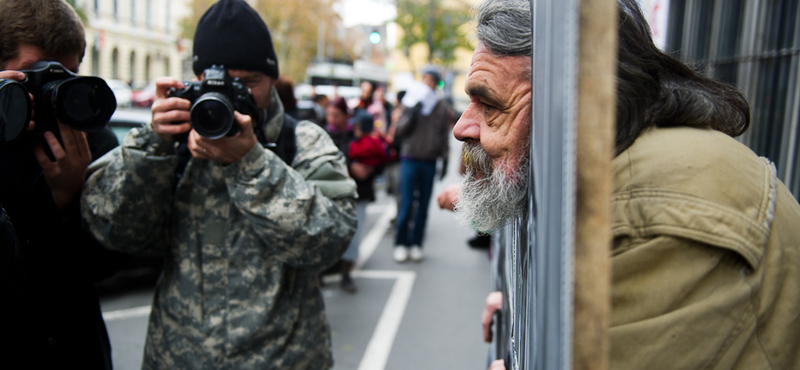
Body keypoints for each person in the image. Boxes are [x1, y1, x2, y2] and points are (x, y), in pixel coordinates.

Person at [458, 0, 800, 369]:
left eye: (489, 104)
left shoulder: (657, 215)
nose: (462, 127)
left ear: (572, 103)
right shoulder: (621, 169)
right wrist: (527, 313)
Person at [80, 0, 358, 369]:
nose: (233, 95)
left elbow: (331, 240)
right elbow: (111, 229)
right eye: (222, 83)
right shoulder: (171, 143)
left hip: (283, 358)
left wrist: (250, 162)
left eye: (247, 83)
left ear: (273, 79)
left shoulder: (304, 142)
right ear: (197, 81)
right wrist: (153, 144)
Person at [0, 1, 124, 368]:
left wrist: (70, 201)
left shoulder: (90, 135)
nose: (53, 90)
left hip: (74, 350)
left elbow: (110, 262)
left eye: (66, 76)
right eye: (35, 74)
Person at [392, 70, 454, 262]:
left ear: (436, 84)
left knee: (424, 206)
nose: (428, 84)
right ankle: (401, 243)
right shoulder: (410, 102)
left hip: (429, 160)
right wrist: (411, 114)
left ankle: (417, 244)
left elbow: (444, 136)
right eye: (425, 80)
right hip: (410, 158)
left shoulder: (441, 107)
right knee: (407, 203)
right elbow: (399, 131)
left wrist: (445, 160)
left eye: (432, 81)